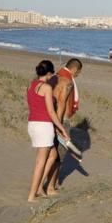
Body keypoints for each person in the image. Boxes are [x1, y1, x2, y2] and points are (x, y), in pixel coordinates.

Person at [26, 60, 69, 202]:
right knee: (40, 161)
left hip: (33, 124)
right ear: (49, 74)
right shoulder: (46, 88)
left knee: (53, 155)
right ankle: (32, 196)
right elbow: (51, 111)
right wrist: (62, 128)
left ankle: (38, 188)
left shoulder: (31, 85)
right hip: (44, 126)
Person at [44, 58, 83, 193]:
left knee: (50, 153)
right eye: (78, 72)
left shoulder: (55, 77)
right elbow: (61, 104)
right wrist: (59, 126)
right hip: (61, 120)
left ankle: (50, 184)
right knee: (58, 156)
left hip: (48, 117)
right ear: (75, 69)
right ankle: (50, 186)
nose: (77, 75)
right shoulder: (67, 82)